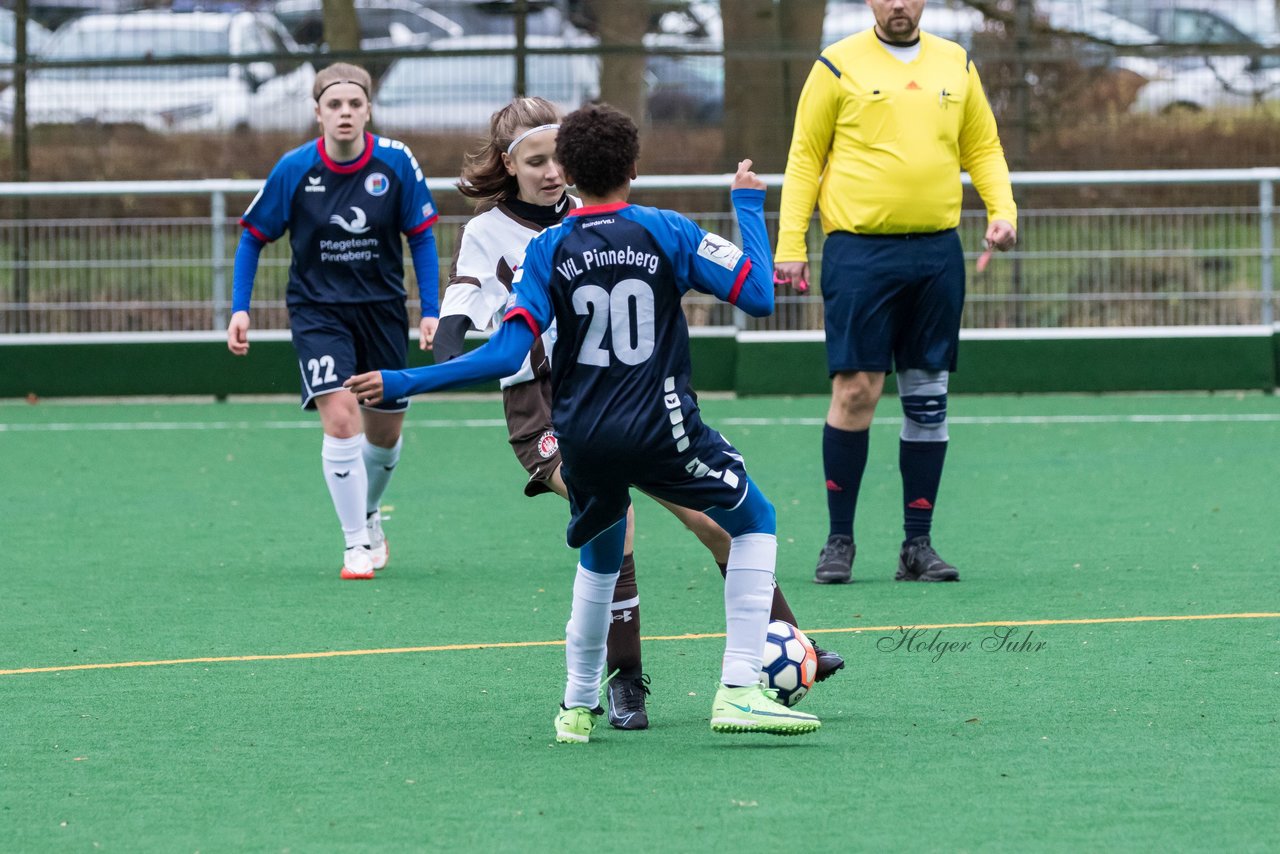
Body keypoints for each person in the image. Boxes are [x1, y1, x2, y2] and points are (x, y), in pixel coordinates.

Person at [347, 104, 822, 743]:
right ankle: (723, 684)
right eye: (532, 160)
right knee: (748, 518)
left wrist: (406, 379)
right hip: (635, 419)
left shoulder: (549, 247)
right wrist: (744, 206)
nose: (546, 172)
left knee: (621, 543)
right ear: (631, 165)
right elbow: (758, 294)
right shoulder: (660, 229)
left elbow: (504, 351)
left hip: (584, 424)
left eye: (553, 159)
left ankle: (580, 703)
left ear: (570, 167)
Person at [774, 0, 1018, 585]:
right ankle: (839, 540)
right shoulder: (835, 66)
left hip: (936, 253)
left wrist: (1002, 210)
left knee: (928, 397)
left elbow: (981, 147)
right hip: (859, 253)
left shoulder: (956, 63)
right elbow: (805, 157)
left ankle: (918, 545)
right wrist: (789, 245)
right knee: (857, 391)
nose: (899, 4)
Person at [226, 62, 441, 580]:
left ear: (368, 109)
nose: (345, 114)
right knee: (342, 418)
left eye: (355, 104)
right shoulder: (295, 168)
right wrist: (239, 307)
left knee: (384, 435)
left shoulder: (395, 162)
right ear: (317, 111)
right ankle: (354, 547)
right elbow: (254, 235)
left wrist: (431, 310)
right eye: (334, 105)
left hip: (383, 310)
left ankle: (368, 513)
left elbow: (422, 236)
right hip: (317, 311)